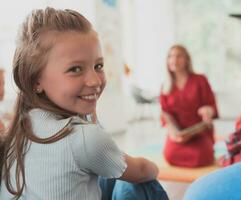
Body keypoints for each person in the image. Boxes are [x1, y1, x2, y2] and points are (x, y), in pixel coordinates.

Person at [0, 7, 168, 200]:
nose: (95, 80)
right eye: (75, 69)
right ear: (36, 80)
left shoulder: (21, 126)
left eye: (98, 66)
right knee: (143, 181)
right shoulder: (83, 138)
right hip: (104, 154)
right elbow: (141, 170)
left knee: (111, 167)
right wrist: (155, 169)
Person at [160, 45, 218, 168]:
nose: (174, 60)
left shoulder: (200, 80)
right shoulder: (165, 86)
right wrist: (173, 132)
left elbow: (212, 106)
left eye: (179, 56)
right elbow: (165, 114)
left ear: (187, 60)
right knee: (169, 155)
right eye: (170, 56)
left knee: (203, 156)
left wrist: (208, 111)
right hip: (179, 133)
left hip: (199, 132)